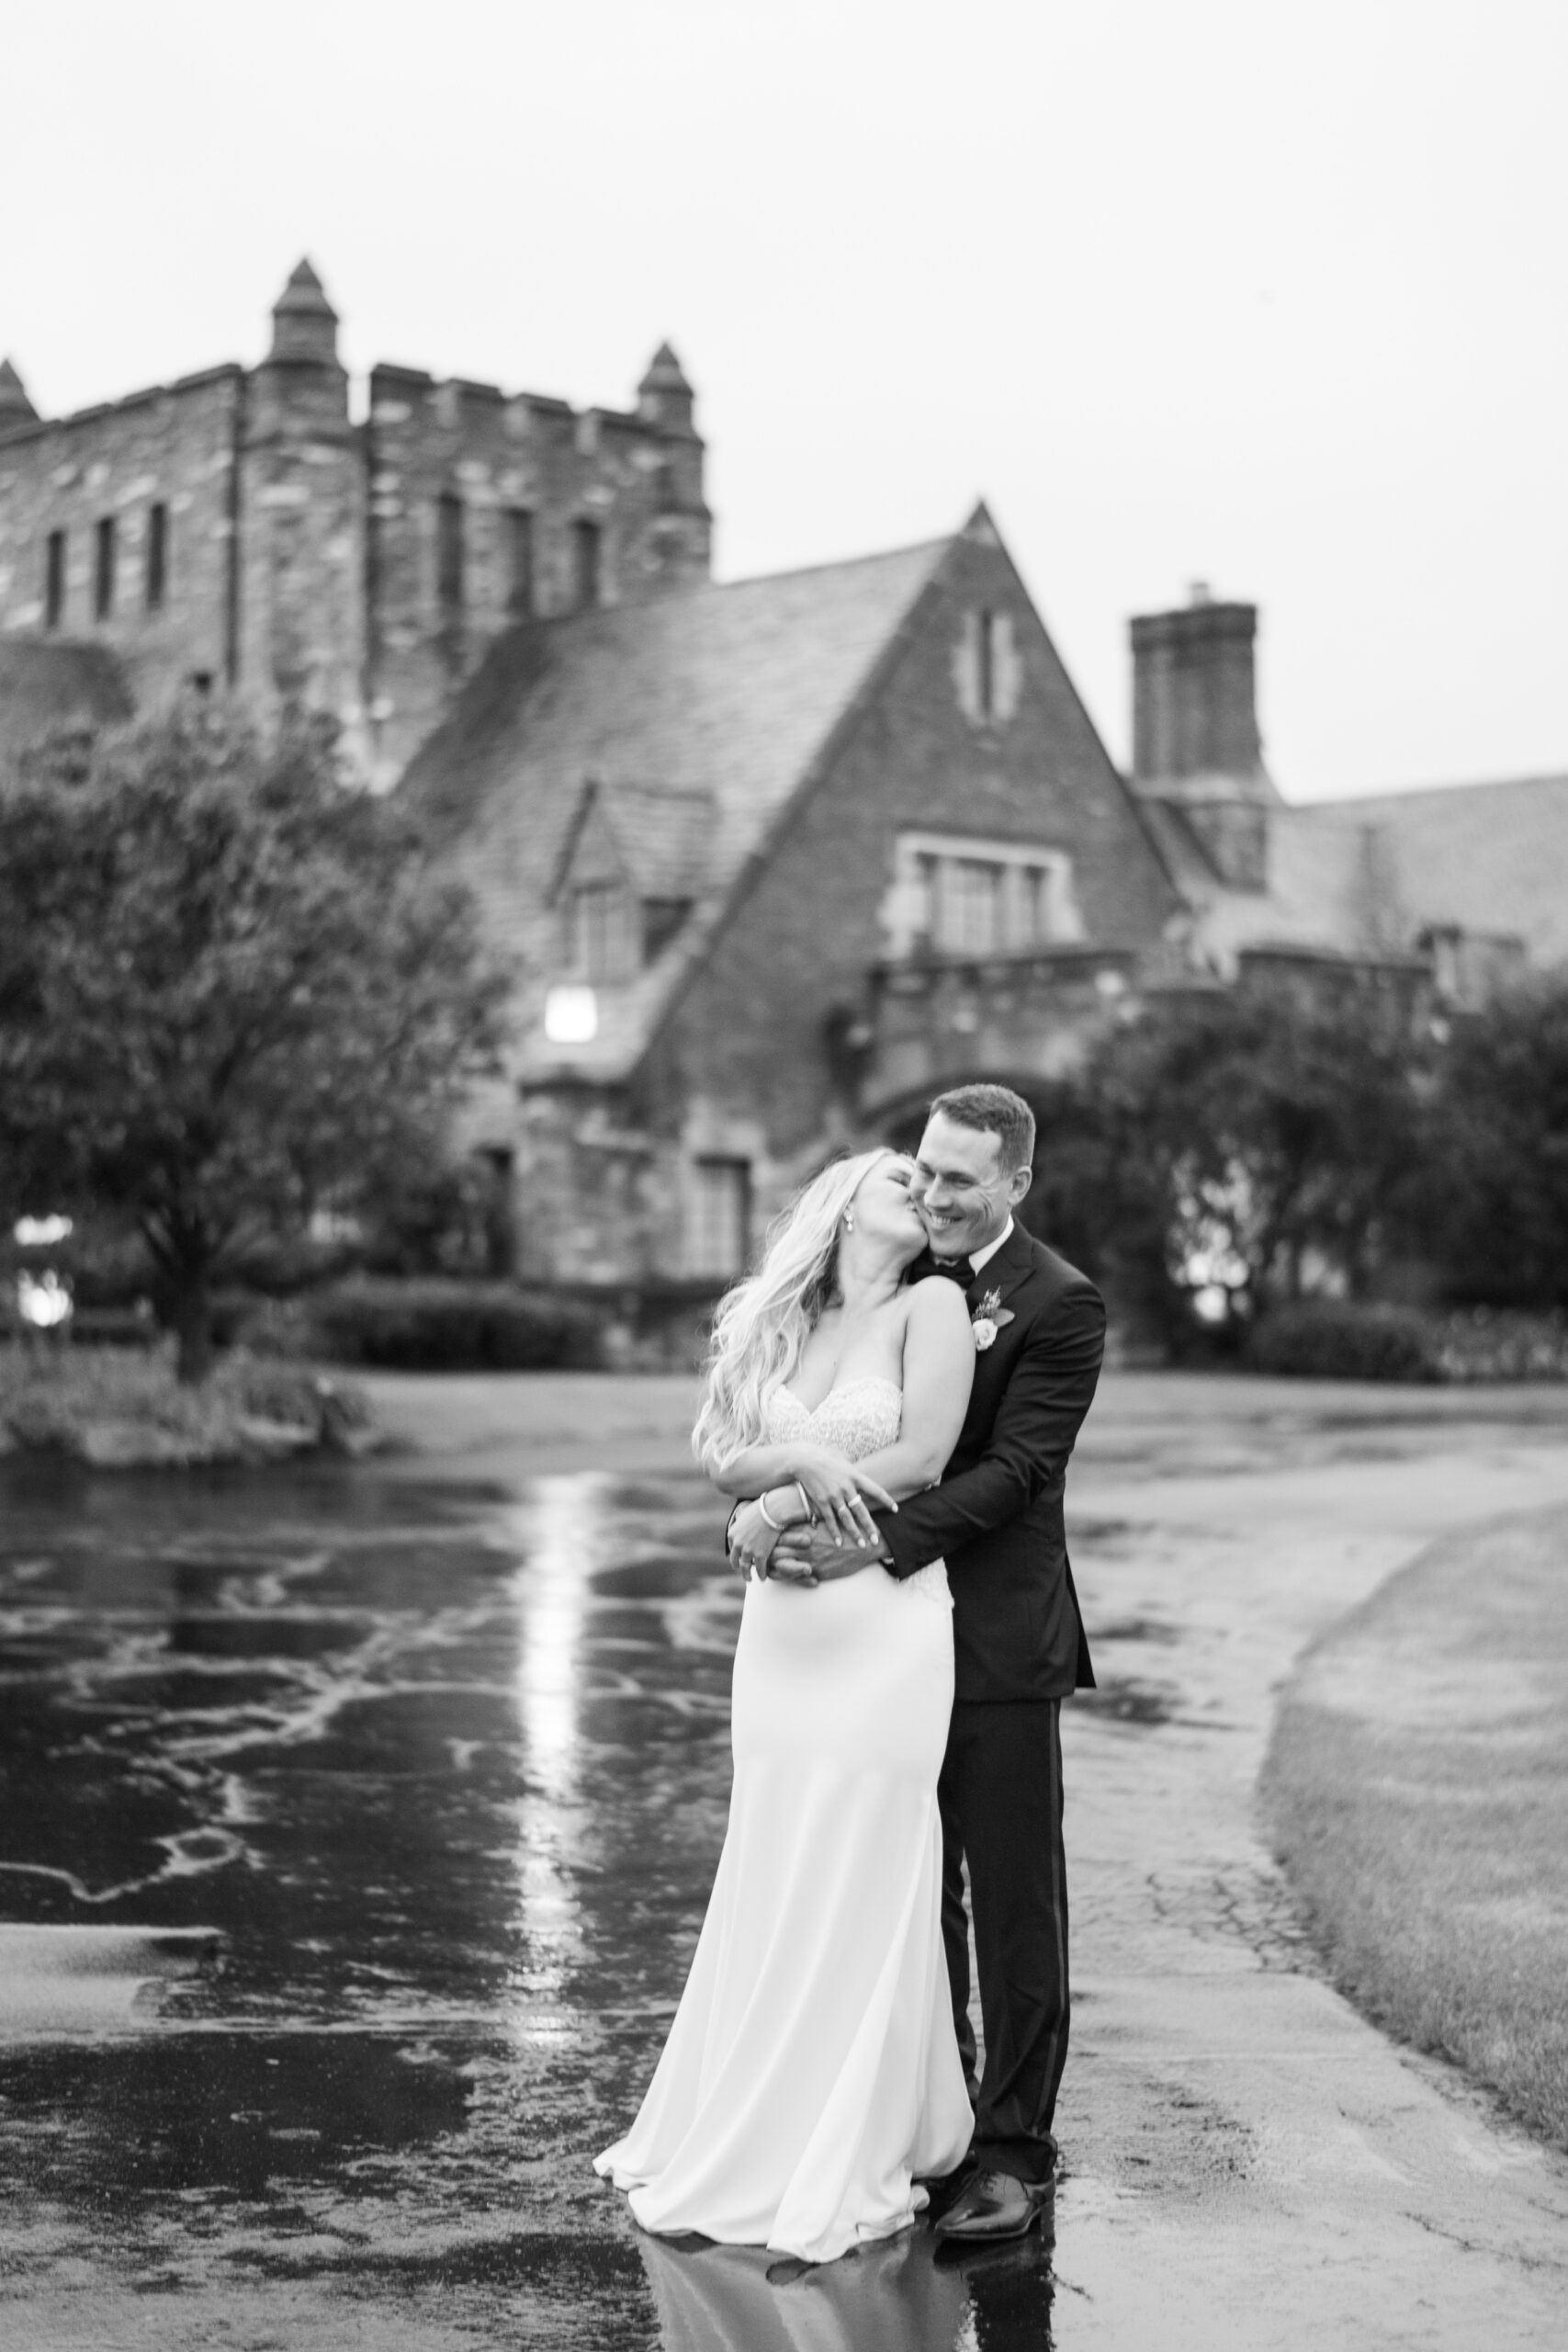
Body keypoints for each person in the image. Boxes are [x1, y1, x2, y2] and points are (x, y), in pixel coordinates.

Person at [595, 1147, 979, 2264]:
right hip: (781, 1633)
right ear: (843, 1200)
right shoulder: (780, 1319)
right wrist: (786, 1474)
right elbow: (722, 1458)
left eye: (932, 1182)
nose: (921, 1190)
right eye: (899, 1176)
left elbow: (922, 1452)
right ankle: (750, 2108)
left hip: (883, 1618)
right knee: (775, 1850)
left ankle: (849, 2129)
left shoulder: (935, 1306)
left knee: (864, 1850)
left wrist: (791, 1508)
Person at [768, 1083, 1105, 2245]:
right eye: (925, 1169)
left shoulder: (1060, 1302)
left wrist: (866, 1546)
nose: (936, 1193)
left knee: (1013, 1904)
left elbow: (1018, 1472)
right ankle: (939, 2119)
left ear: (1015, 1179)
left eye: (962, 1177)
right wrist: (760, 1515)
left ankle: (1015, 2152)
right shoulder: (897, 1288)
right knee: (913, 1890)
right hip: (881, 1647)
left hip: (998, 1639)